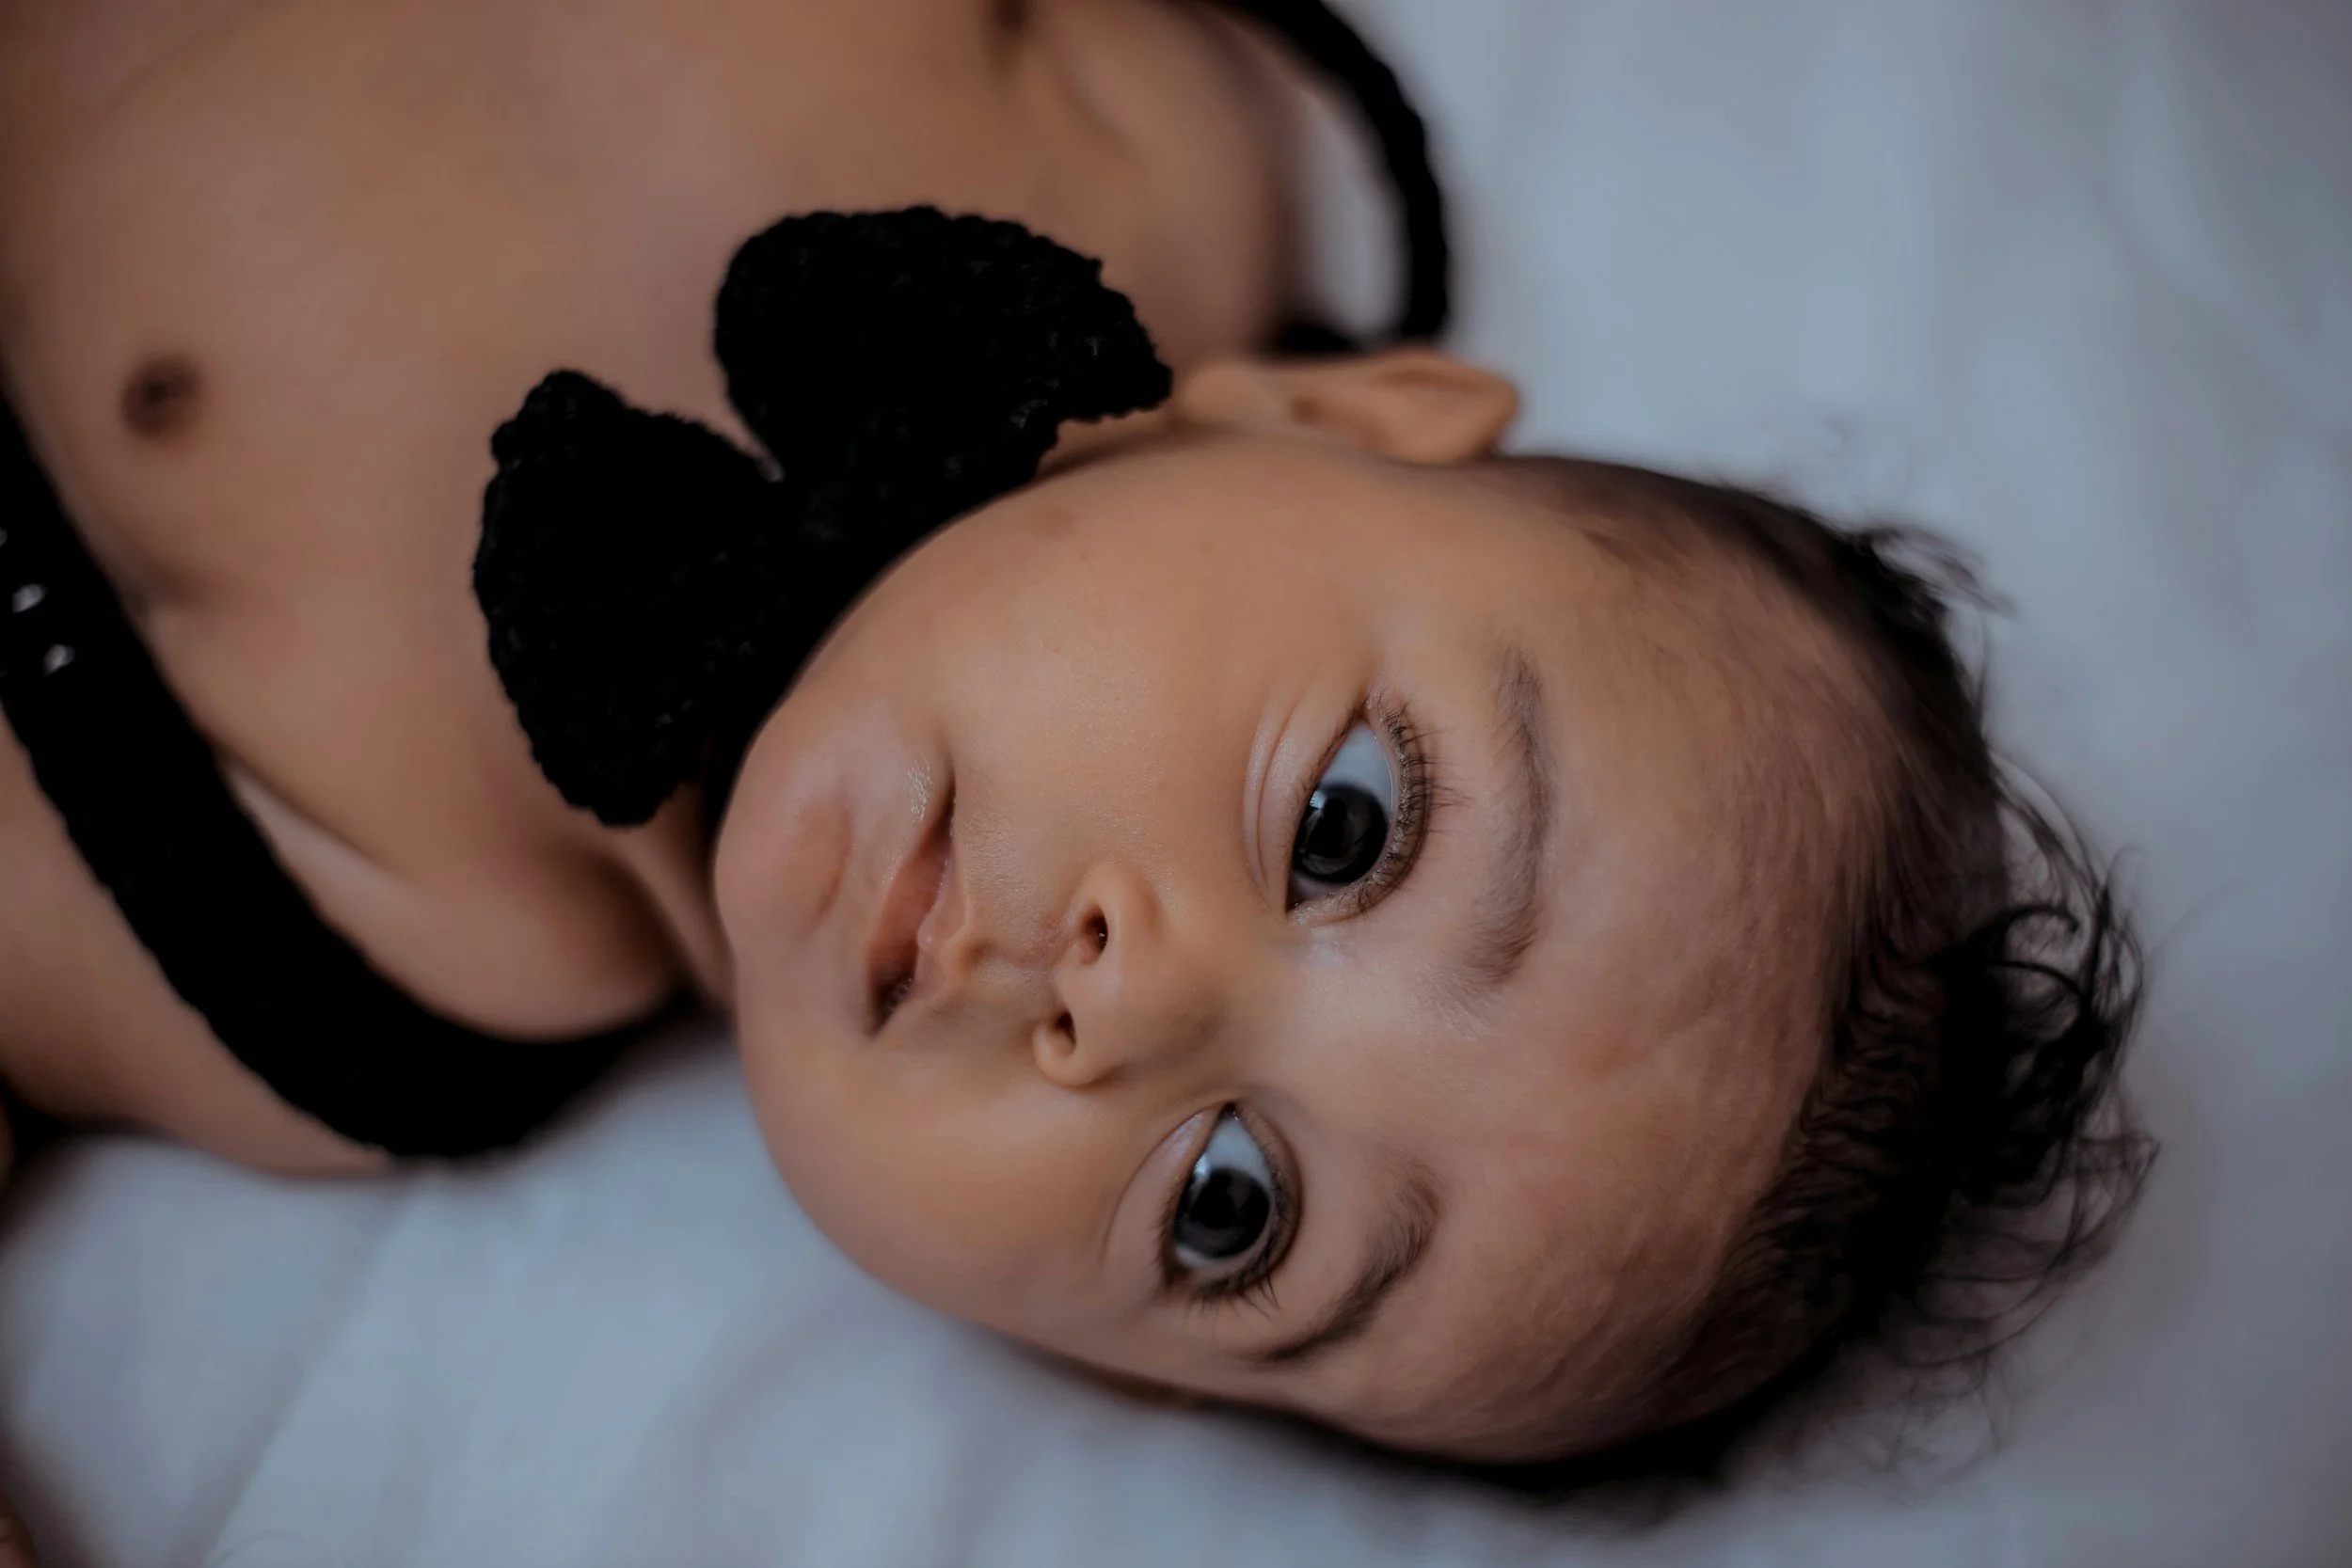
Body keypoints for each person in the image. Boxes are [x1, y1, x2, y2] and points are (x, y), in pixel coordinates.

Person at [0, 0, 2148, 1528]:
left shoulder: (351, 963)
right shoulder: (1153, 150)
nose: (1126, 995)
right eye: (1345, 825)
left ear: (1066, 1357)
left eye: (1232, 1207)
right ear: (1348, 415)